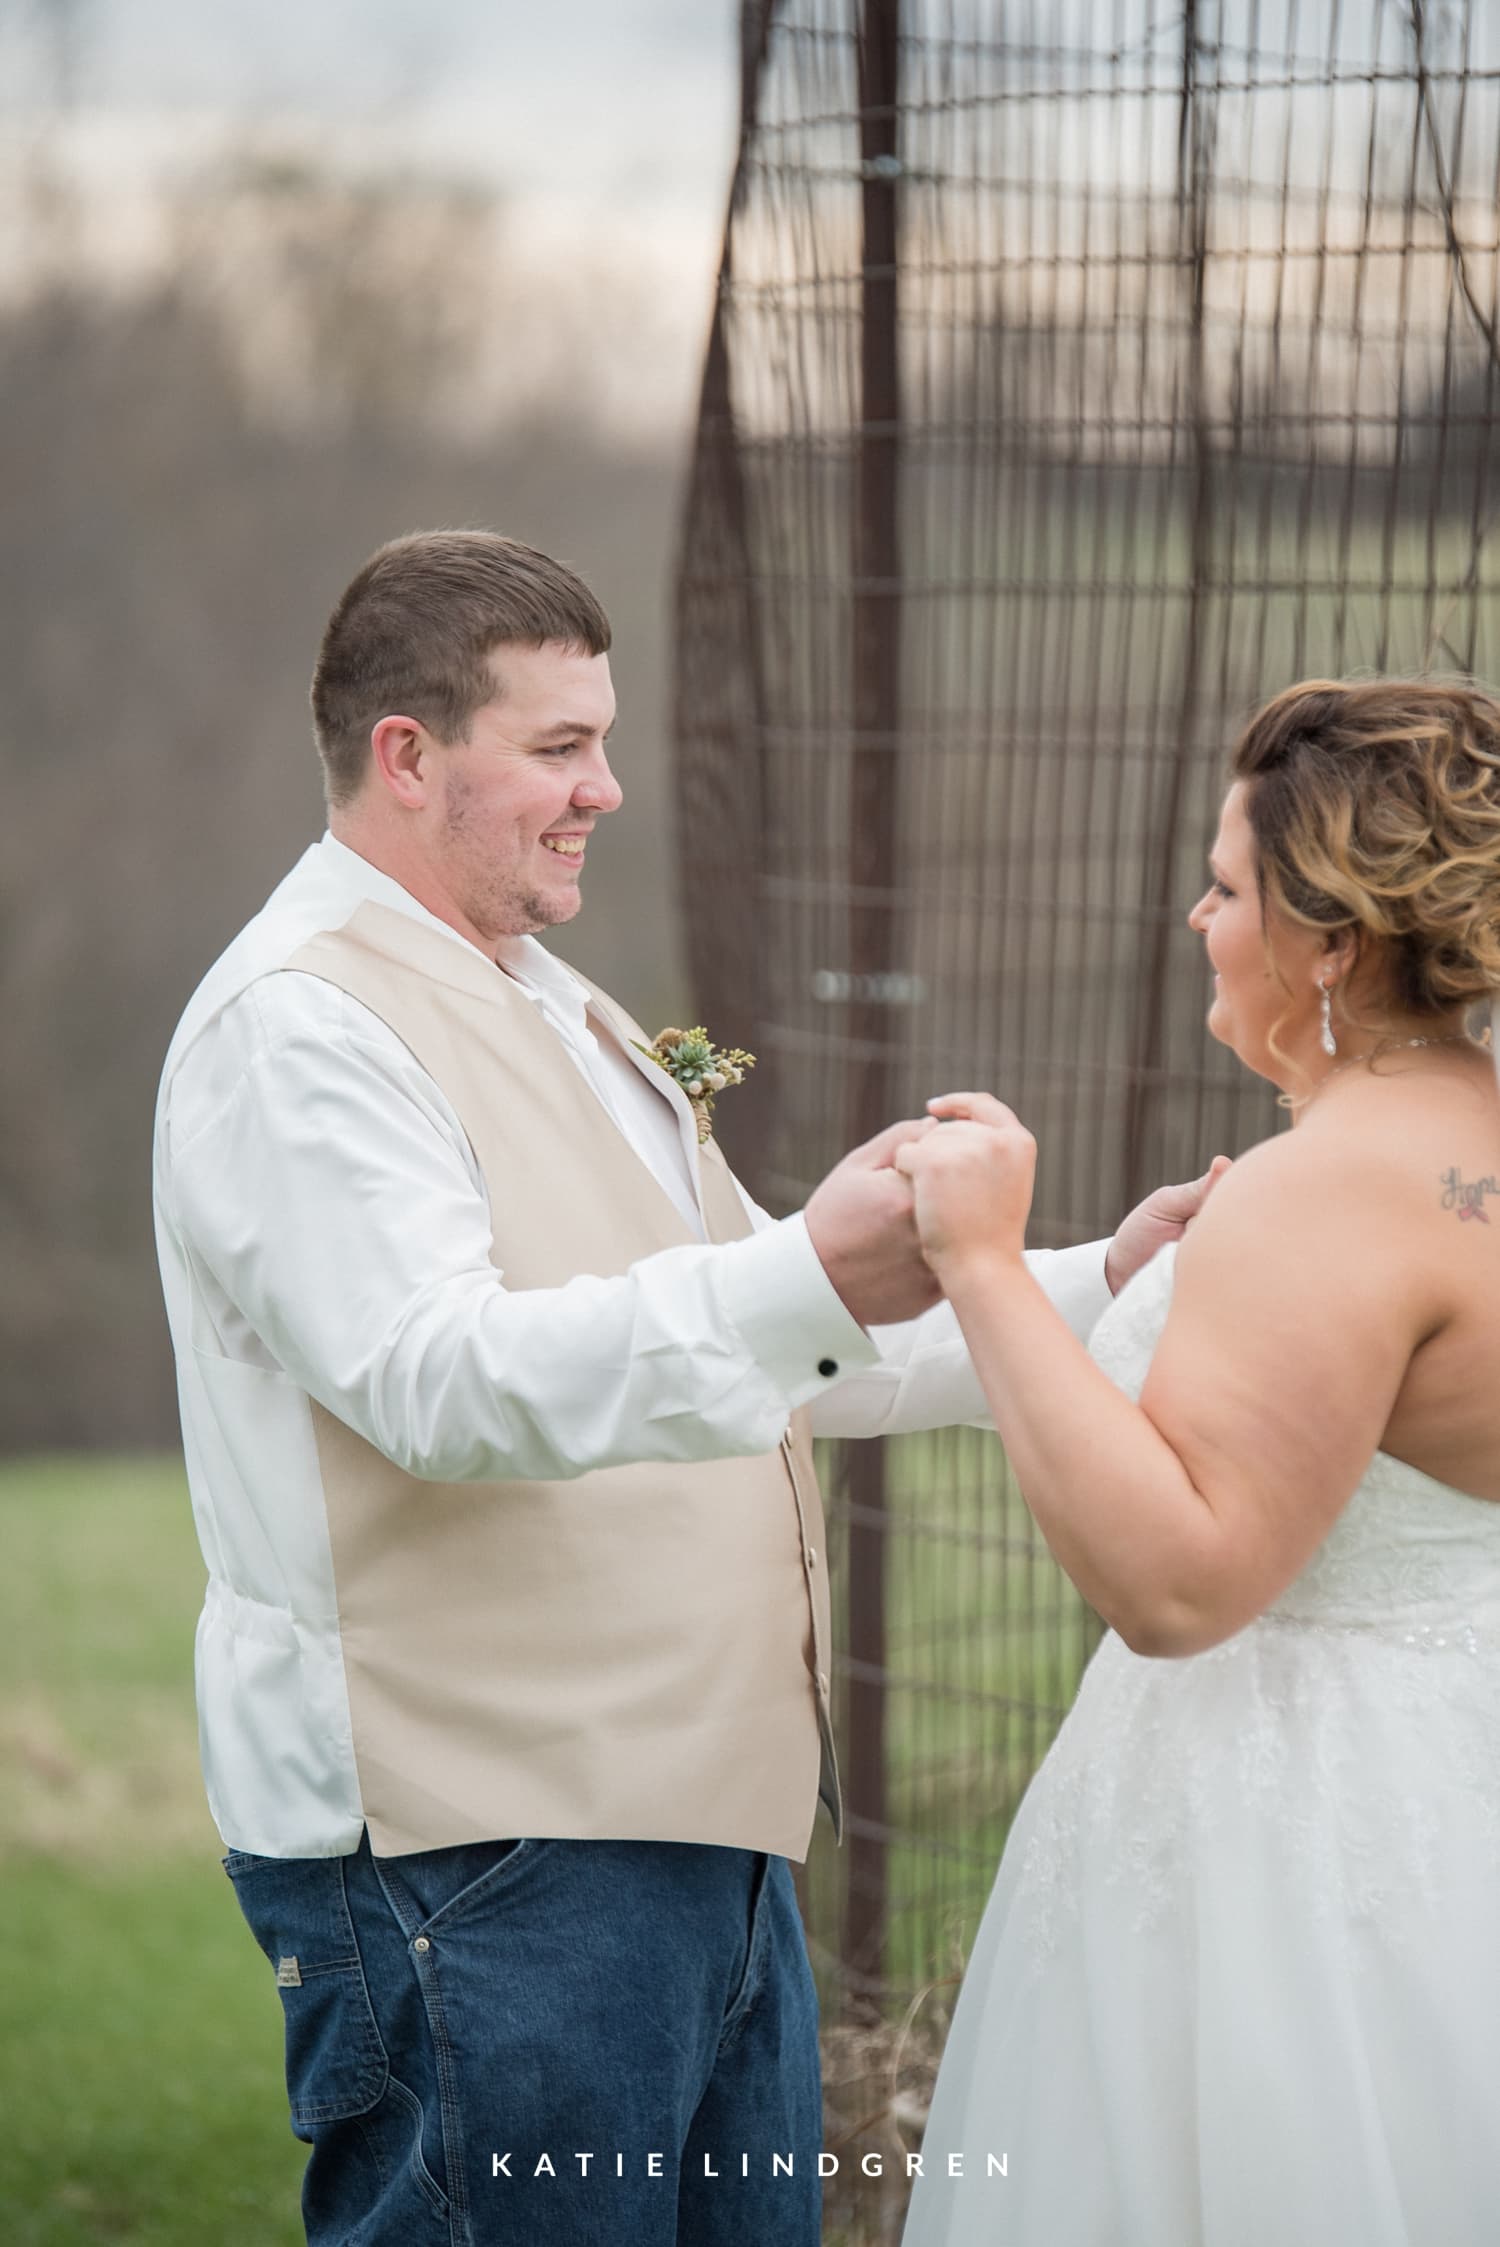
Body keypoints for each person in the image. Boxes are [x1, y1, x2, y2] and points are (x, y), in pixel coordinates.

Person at [152, 529, 1213, 2247]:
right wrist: (803, 1270)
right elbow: (438, 1377)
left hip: (695, 1845)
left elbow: (783, 1360)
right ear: (410, 757)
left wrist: (1098, 1282)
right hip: (477, 1858)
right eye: (560, 748)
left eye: (604, 741)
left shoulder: (557, 1005)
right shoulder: (301, 1030)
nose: (608, 790)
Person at [896, 677, 1500, 2247]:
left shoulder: (1328, 1190)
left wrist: (982, 1261)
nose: (1193, 919)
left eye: (1226, 889)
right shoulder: (1467, 1150)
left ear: (1331, 943)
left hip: (1292, 1851)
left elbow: (1181, 1582)